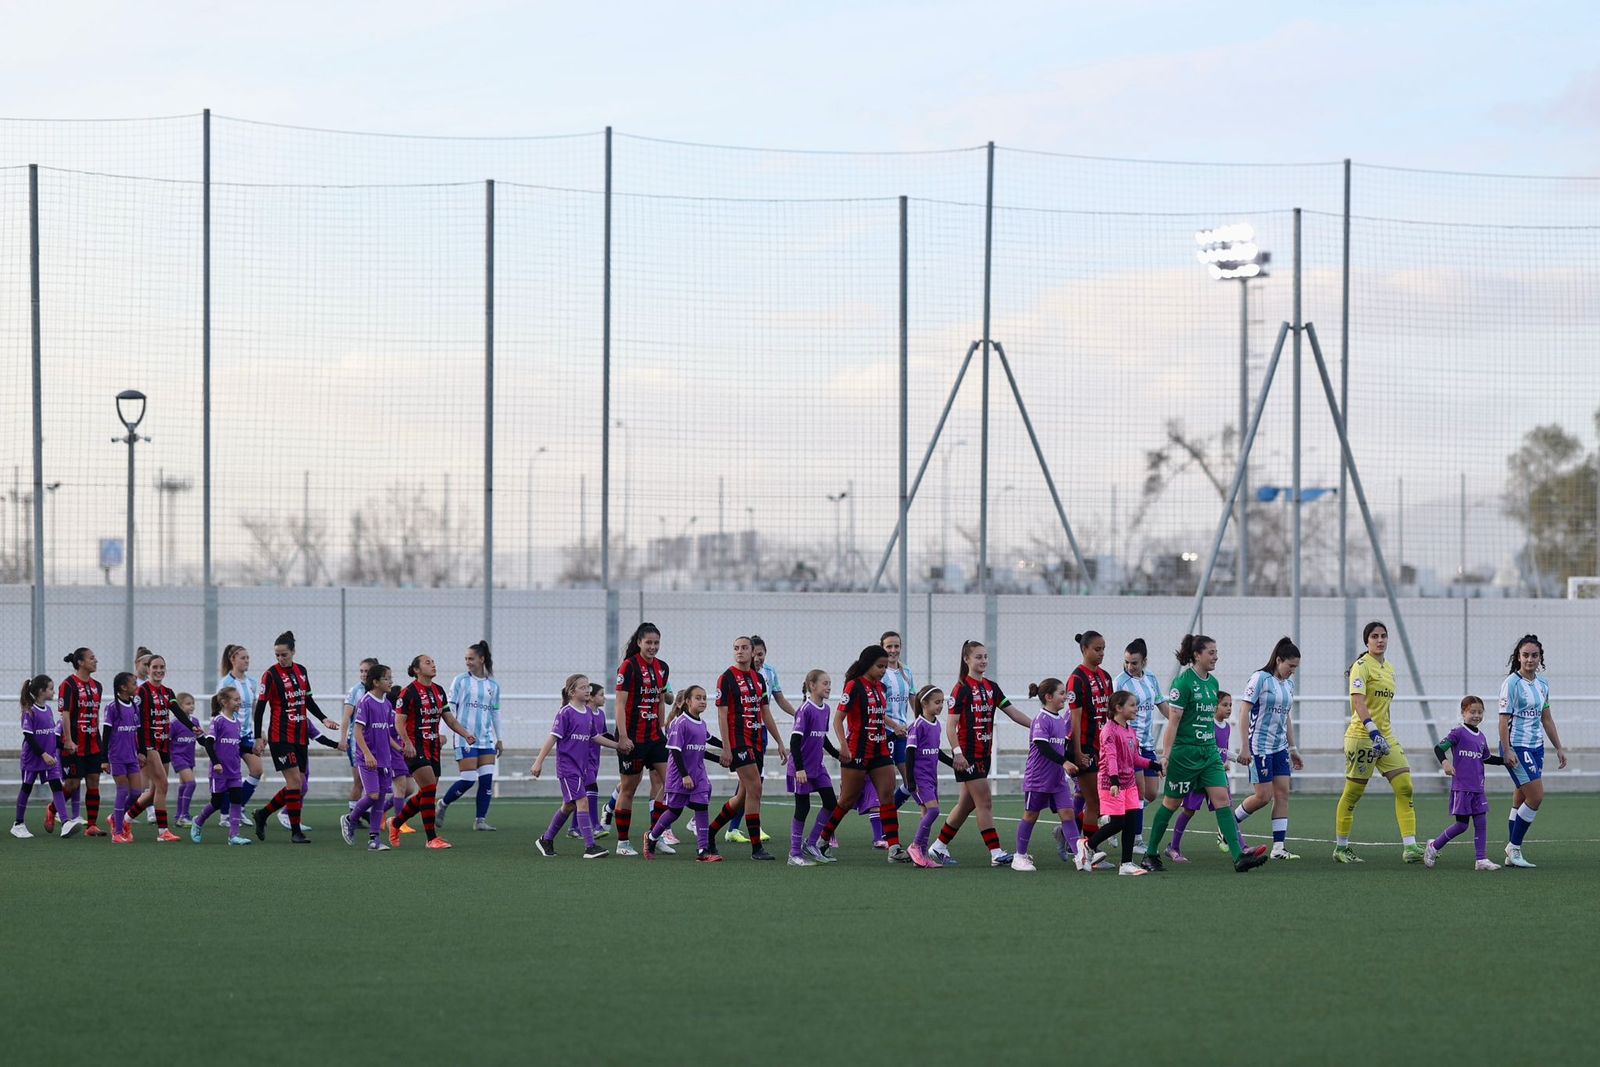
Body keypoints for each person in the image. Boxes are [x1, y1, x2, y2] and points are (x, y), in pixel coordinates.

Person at [1139, 635, 1269, 874]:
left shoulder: (1213, 683)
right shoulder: (1183, 683)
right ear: (1197, 655)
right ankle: (1151, 854)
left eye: (1216, 652)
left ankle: (1239, 857)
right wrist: (1166, 755)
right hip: (1185, 755)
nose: (1215, 656)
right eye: (1211, 652)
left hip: (1208, 754)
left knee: (1223, 799)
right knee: (1171, 803)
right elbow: (1173, 722)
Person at [927, 640, 1033, 867]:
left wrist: (1038, 726)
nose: (983, 661)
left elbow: (1012, 713)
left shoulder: (992, 687)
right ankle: (995, 852)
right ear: (966, 659)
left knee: (966, 805)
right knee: (984, 801)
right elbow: (950, 725)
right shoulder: (961, 689)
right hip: (968, 756)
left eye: (985, 656)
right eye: (978, 657)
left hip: (984, 754)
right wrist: (957, 753)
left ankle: (938, 846)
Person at [811, 645, 914, 865]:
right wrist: (844, 746)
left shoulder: (881, 687)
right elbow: (838, 719)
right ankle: (820, 841)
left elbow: (878, 714)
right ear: (868, 664)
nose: (883, 670)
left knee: (887, 795)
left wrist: (894, 726)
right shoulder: (854, 686)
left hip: (880, 749)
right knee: (847, 800)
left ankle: (894, 847)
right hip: (857, 751)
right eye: (880, 666)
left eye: (885, 667)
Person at [1334, 621, 1423, 864]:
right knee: (1353, 793)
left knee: (1405, 786)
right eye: (1374, 636)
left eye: (1383, 636)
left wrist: (1382, 734)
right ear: (1367, 641)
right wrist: (1373, 731)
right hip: (1363, 737)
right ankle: (1341, 848)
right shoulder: (1361, 667)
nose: (1380, 640)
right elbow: (1359, 703)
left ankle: (1410, 847)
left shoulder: (1390, 668)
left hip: (1386, 738)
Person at [705, 637, 788, 860]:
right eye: (736, 648)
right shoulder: (726, 678)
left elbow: (765, 712)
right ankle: (756, 848)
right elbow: (722, 714)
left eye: (744, 648)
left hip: (756, 741)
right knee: (755, 789)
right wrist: (726, 747)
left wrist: (780, 741)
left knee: (742, 796)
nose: (739, 652)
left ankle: (710, 833)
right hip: (738, 741)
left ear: (753, 652)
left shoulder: (759, 679)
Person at [251, 630, 338, 844]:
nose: (280, 659)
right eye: (277, 655)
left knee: (296, 784)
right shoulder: (270, 675)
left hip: (300, 736)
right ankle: (295, 832)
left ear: (293, 652)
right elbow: (260, 708)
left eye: (284, 654)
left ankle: (263, 814)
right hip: (280, 736)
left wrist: (324, 719)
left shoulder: (302, 671)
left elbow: (308, 701)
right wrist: (258, 737)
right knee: (294, 781)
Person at [391, 654, 477, 849]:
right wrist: (407, 743)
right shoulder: (408, 693)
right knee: (430, 789)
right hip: (415, 747)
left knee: (426, 792)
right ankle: (431, 838)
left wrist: (465, 734)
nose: (433, 665)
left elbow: (450, 719)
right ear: (416, 670)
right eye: (428, 663)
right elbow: (399, 722)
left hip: (433, 747)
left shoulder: (438, 691)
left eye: (433, 662)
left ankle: (395, 823)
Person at [1498, 634, 1568, 869]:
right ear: (1518, 657)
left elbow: (1546, 718)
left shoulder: (1543, 684)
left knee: (1520, 796)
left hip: (1536, 747)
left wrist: (1558, 747)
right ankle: (1514, 847)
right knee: (1536, 796)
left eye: (1534, 655)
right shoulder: (1511, 683)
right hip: (1517, 746)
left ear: (1540, 658)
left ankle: (1511, 853)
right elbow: (1503, 720)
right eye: (1525, 655)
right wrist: (1507, 750)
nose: (1530, 659)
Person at [1233, 637, 1304, 860]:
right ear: (1278, 660)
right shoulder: (1260, 679)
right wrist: (1245, 747)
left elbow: (1286, 717)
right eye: (1290, 666)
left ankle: (1278, 848)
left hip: (1279, 748)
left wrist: (1292, 748)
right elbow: (1244, 711)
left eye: (1296, 667)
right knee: (1263, 796)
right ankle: (1228, 826)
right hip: (1259, 747)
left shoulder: (1288, 685)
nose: (1293, 671)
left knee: (1282, 794)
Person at [532, 674, 618, 859]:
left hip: (582, 767)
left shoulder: (588, 713)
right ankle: (590, 846)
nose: (587, 690)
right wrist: (538, 761)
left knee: (569, 806)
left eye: (588, 687)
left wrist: (618, 746)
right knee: (582, 801)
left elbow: (595, 737)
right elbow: (552, 737)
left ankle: (546, 839)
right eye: (583, 687)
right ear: (572, 692)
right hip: (567, 767)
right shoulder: (565, 713)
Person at [723, 634, 794, 845]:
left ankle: (737, 826)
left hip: (760, 733)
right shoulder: (734, 676)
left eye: (760, 653)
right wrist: (726, 745)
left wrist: (797, 716)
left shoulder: (767, 674)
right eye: (753, 652)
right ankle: (735, 828)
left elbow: (775, 702)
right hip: (741, 734)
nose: (757, 657)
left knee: (753, 784)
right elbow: (723, 713)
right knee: (751, 783)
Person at [609, 623, 673, 857]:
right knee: (629, 788)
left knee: (671, 785)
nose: (653, 647)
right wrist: (623, 736)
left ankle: (654, 836)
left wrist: (662, 730)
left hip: (655, 737)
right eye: (649, 642)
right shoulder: (628, 666)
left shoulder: (663, 668)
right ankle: (623, 843)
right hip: (632, 738)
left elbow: (658, 700)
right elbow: (619, 704)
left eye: (656, 642)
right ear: (639, 642)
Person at [1082, 691, 1160, 875]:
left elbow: (1133, 758)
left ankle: (1126, 864)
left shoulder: (1130, 730)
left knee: (1131, 823)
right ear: (1118, 708)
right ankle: (1088, 845)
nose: (1136, 709)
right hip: (1112, 784)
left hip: (1129, 784)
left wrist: (1153, 765)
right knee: (1118, 823)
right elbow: (1111, 758)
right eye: (1132, 705)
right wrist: (1115, 781)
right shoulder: (1109, 729)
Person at [1426, 696, 1509, 871]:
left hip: (1478, 787)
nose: (1476, 715)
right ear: (1463, 712)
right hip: (1462, 787)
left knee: (1481, 821)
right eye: (1472, 712)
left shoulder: (1481, 737)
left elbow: (1486, 757)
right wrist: (1445, 763)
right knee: (1461, 825)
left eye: (1480, 712)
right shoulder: (1459, 732)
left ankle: (1481, 860)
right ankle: (1434, 846)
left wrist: (1505, 761)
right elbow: (1439, 748)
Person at [124, 654, 199, 842]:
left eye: (162, 667)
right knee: (163, 785)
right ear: (148, 669)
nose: (159, 670)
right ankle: (162, 832)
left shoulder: (168, 692)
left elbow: (178, 713)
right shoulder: (141, 691)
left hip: (164, 744)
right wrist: (141, 749)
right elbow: (138, 722)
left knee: (153, 792)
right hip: (149, 745)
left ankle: (122, 819)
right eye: (155, 667)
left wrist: (193, 728)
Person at [1012, 678, 1082, 873]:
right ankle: (1019, 856)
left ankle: (1079, 856)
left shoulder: (1060, 720)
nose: (1065, 697)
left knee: (1068, 814)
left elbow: (1061, 747)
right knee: (1031, 815)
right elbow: (1043, 747)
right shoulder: (1041, 719)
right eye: (1061, 693)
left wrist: (1074, 760)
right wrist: (1064, 762)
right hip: (1038, 778)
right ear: (1048, 697)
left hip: (1057, 779)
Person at [644, 686, 721, 862]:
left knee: (702, 808)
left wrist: (726, 752)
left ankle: (703, 850)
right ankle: (651, 838)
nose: (702, 701)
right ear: (687, 701)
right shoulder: (680, 723)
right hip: (680, 776)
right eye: (698, 698)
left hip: (699, 776)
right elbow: (676, 752)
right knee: (674, 811)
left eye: (704, 698)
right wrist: (684, 775)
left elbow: (705, 745)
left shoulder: (702, 724)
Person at [439, 640, 503, 831]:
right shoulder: (460, 681)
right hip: (464, 737)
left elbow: (495, 713)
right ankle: (443, 803)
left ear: (481, 659)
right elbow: (449, 709)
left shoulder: (493, 685)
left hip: (486, 739)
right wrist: (443, 733)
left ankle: (480, 820)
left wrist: (499, 738)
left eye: (471, 658)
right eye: (466, 659)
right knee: (468, 779)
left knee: (486, 779)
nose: (468, 662)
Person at [1114, 637, 1170, 851]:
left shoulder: (1151, 678)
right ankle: (1136, 838)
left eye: (1134, 662)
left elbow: (1161, 704)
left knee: (1151, 793)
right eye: (1127, 662)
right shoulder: (1120, 681)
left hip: (1148, 743)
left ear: (1144, 661)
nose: (1130, 666)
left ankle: (1115, 817)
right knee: (1137, 792)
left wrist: (1176, 722)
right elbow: (1113, 713)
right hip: (1129, 744)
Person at [1164, 692, 1234, 863]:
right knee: (1189, 810)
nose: (1229, 708)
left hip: (1215, 775)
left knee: (1226, 809)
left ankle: (1242, 847)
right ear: (1214, 706)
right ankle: (1173, 847)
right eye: (1225, 705)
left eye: (1230, 705)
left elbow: (1223, 751)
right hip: (1198, 773)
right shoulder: (1206, 725)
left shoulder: (1227, 727)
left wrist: (1236, 758)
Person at [342, 664, 403, 852]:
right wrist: (367, 753)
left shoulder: (386, 704)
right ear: (376, 682)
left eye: (391, 677)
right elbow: (358, 731)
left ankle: (374, 839)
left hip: (384, 759)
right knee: (373, 795)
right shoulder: (366, 701)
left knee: (380, 798)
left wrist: (399, 748)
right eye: (387, 678)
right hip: (367, 758)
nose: (390, 681)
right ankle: (350, 819)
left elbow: (386, 733)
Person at [13, 674, 80, 839]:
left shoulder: (49, 710)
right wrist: (43, 755)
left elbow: (50, 737)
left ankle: (65, 823)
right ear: (42, 691)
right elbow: (30, 738)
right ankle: (18, 823)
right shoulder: (30, 712)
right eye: (51, 688)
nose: (54, 692)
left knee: (56, 785)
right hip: (33, 757)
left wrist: (65, 746)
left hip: (50, 758)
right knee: (27, 787)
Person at [785, 670, 839, 867]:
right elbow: (794, 741)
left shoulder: (825, 709)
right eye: (825, 683)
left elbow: (822, 738)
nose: (828, 687)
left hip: (818, 766)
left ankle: (812, 843)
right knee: (803, 807)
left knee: (831, 803)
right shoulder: (805, 710)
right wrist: (799, 769)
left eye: (830, 683)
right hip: (801, 768)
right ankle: (794, 853)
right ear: (812, 685)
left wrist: (837, 755)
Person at [1066, 630, 1113, 845]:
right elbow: (1074, 720)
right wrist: (1077, 752)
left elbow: (1112, 714)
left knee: (1102, 803)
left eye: (1103, 648)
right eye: (1097, 649)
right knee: (1094, 802)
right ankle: (1090, 851)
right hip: (1085, 747)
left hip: (1103, 747)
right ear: (1084, 650)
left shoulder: (1106, 677)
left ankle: (1069, 834)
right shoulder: (1076, 679)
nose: (1101, 653)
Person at [191, 687, 253, 846]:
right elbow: (209, 744)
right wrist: (216, 762)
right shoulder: (218, 721)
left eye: (239, 699)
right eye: (236, 699)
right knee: (217, 802)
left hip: (234, 771)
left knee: (236, 799)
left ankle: (234, 836)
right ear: (224, 702)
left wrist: (253, 749)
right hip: (219, 772)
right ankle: (198, 821)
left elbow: (238, 746)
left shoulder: (237, 722)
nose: (239, 702)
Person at [58, 647, 106, 836]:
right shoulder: (68, 684)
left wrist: (103, 749)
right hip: (74, 744)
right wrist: (68, 740)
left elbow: (94, 717)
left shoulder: (98, 686)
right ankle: (53, 810)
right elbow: (66, 714)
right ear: (80, 662)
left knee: (94, 780)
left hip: (93, 742)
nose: (96, 661)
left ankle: (92, 825)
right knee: (72, 784)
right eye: (92, 658)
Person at [901, 686, 949, 869]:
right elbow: (909, 754)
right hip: (920, 778)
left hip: (931, 777)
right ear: (924, 704)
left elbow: (937, 752)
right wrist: (911, 781)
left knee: (925, 813)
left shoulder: (936, 724)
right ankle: (915, 846)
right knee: (933, 811)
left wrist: (954, 764)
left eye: (942, 702)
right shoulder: (917, 726)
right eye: (937, 702)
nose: (940, 706)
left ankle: (921, 856)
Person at [217, 644, 264, 814]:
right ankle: (225, 814)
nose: (246, 661)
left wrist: (260, 733)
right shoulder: (226, 682)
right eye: (243, 658)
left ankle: (237, 808)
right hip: (230, 736)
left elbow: (254, 710)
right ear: (233, 660)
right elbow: (219, 709)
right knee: (229, 777)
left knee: (257, 770)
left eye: (247, 658)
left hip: (246, 735)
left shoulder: (252, 682)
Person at [101, 672, 143, 844]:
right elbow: (106, 734)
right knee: (123, 791)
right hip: (117, 756)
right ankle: (117, 832)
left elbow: (138, 731)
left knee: (137, 793)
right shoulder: (112, 708)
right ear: (123, 687)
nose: (137, 686)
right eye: (133, 683)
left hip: (132, 756)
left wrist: (141, 752)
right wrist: (104, 759)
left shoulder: (134, 706)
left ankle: (115, 818)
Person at [339, 657, 378, 828]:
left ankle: (365, 813)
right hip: (357, 743)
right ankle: (352, 816)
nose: (363, 674)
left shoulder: (379, 691)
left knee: (374, 782)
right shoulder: (356, 691)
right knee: (359, 781)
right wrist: (343, 738)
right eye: (361, 671)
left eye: (366, 671)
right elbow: (347, 716)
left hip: (375, 744)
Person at [880, 631, 917, 805]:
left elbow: (913, 699)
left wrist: (920, 724)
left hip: (902, 733)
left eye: (896, 646)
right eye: (889, 646)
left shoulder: (906, 672)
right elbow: (876, 708)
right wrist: (893, 726)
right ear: (882, 648)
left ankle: (887, 816)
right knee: (885, 784)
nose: (893, 650)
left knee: (911, 780)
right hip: (884, 733)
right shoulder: (879, 673)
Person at [169, 692, 200, 828]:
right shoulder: (174, 724)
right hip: (178, 757)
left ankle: (178, 815)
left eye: (192, 703)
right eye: (188, 704)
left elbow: (200, 737)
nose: (191, 706)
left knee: (184, 785)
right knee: (191, 783)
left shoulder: (195, 722)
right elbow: (168, 741)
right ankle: (184, 815)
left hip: (189, 757)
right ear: (179, 707)